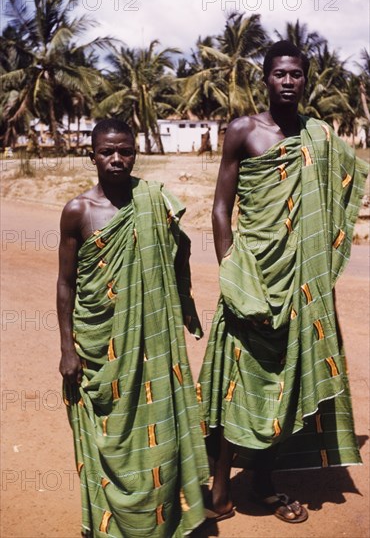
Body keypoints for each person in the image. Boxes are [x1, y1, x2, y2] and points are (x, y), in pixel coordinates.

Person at [198, 41, 368, 525]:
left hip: (301, 286)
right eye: (279, 74)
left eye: (296, 74)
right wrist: (232, 270)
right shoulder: (242, 131)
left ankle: (266, 483)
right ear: (265, 79)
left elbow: (344, 190)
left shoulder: (320, 137)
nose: (288, 81)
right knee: (240, 381)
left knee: (287, 384)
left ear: (306, 79)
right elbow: (220, 208)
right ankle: (221, 488)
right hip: (252, 279)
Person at [57, 118, 209, 537]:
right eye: (107, 152)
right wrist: (68, 349)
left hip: (152, 341)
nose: (117, 159)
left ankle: (159, 522)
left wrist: (173, 299)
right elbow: (66, 283)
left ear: (135, 153)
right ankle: (111, 523)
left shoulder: (155, 199)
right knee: (111, 437)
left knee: (159, 429)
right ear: (92, 156)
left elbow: (179, 249)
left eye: (125, 151)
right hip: (98, 343)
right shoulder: (78, 212)